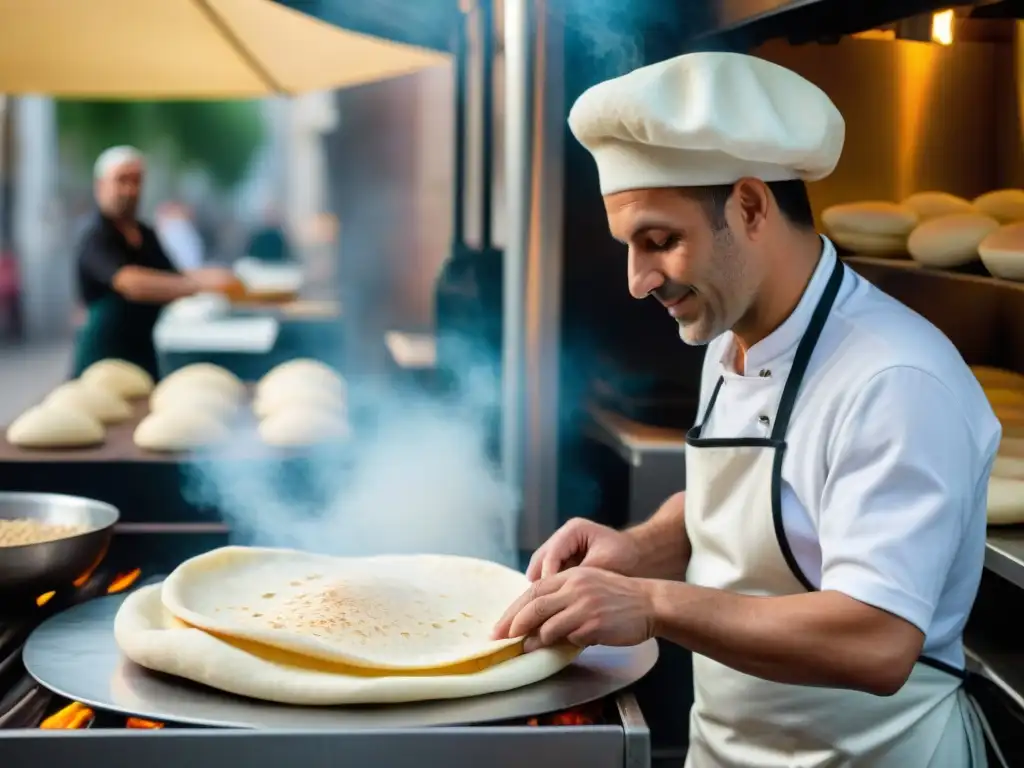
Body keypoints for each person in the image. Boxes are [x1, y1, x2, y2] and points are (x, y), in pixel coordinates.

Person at [493, 52, 1002, 766]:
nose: (639, 281)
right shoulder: (731, 337)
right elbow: (754, 509)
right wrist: (640, 548)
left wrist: (650, 603)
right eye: (629, 247)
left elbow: (878, 639)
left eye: (660, 241)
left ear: (752, 207)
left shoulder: (895, 378)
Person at [72, 146, 235, 379]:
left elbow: (172, 275)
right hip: (102, 359)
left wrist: (217, 277)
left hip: (142, 353)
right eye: (121, 181)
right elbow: (130, 282)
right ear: (100, 186)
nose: (129, 189)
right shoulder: (96, 237)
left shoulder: (145, 234)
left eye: (136, 181)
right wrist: (198, 286)